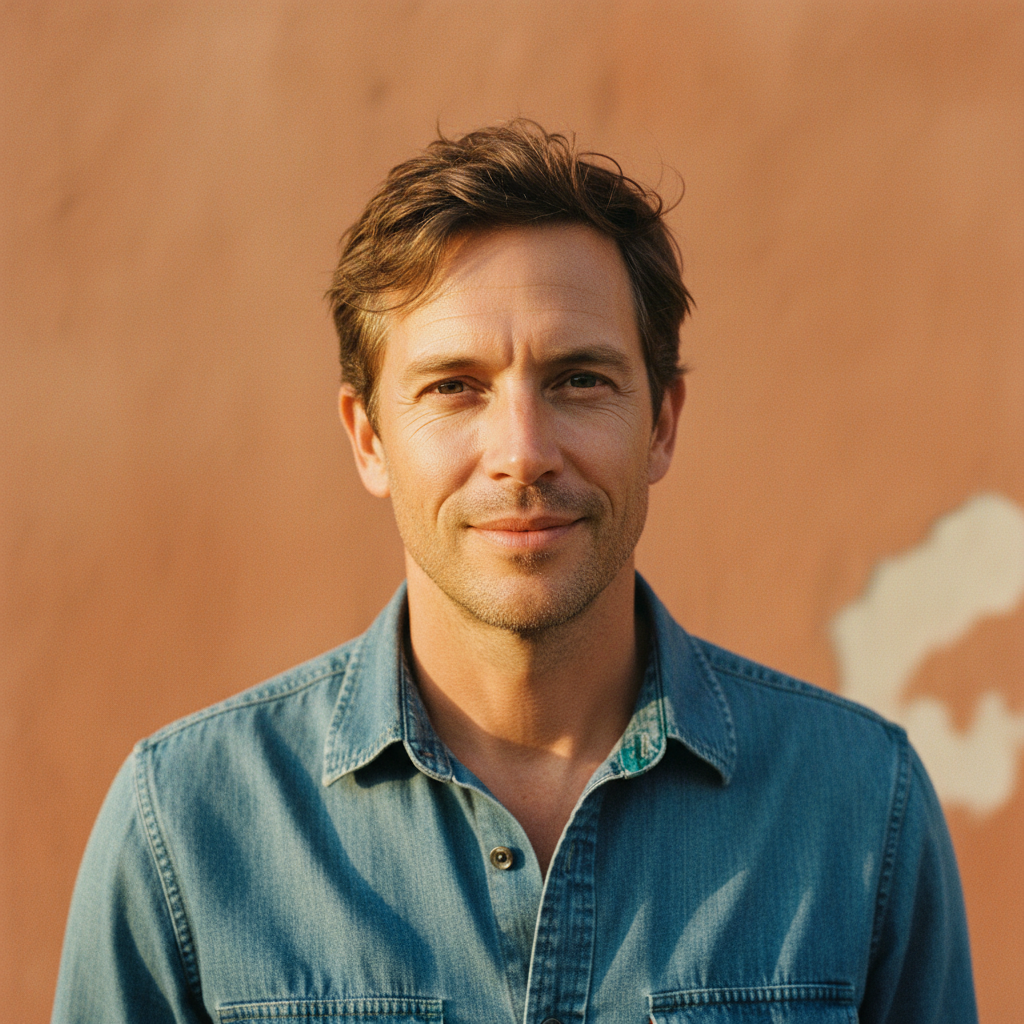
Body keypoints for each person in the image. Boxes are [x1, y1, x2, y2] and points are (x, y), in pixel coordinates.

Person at [53, 120, 977, 1023]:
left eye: (580, 380)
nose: (523, 452)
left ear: (662, 424)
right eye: (454, 387)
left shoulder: (863, 804)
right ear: (369, 439)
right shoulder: (185, 825)